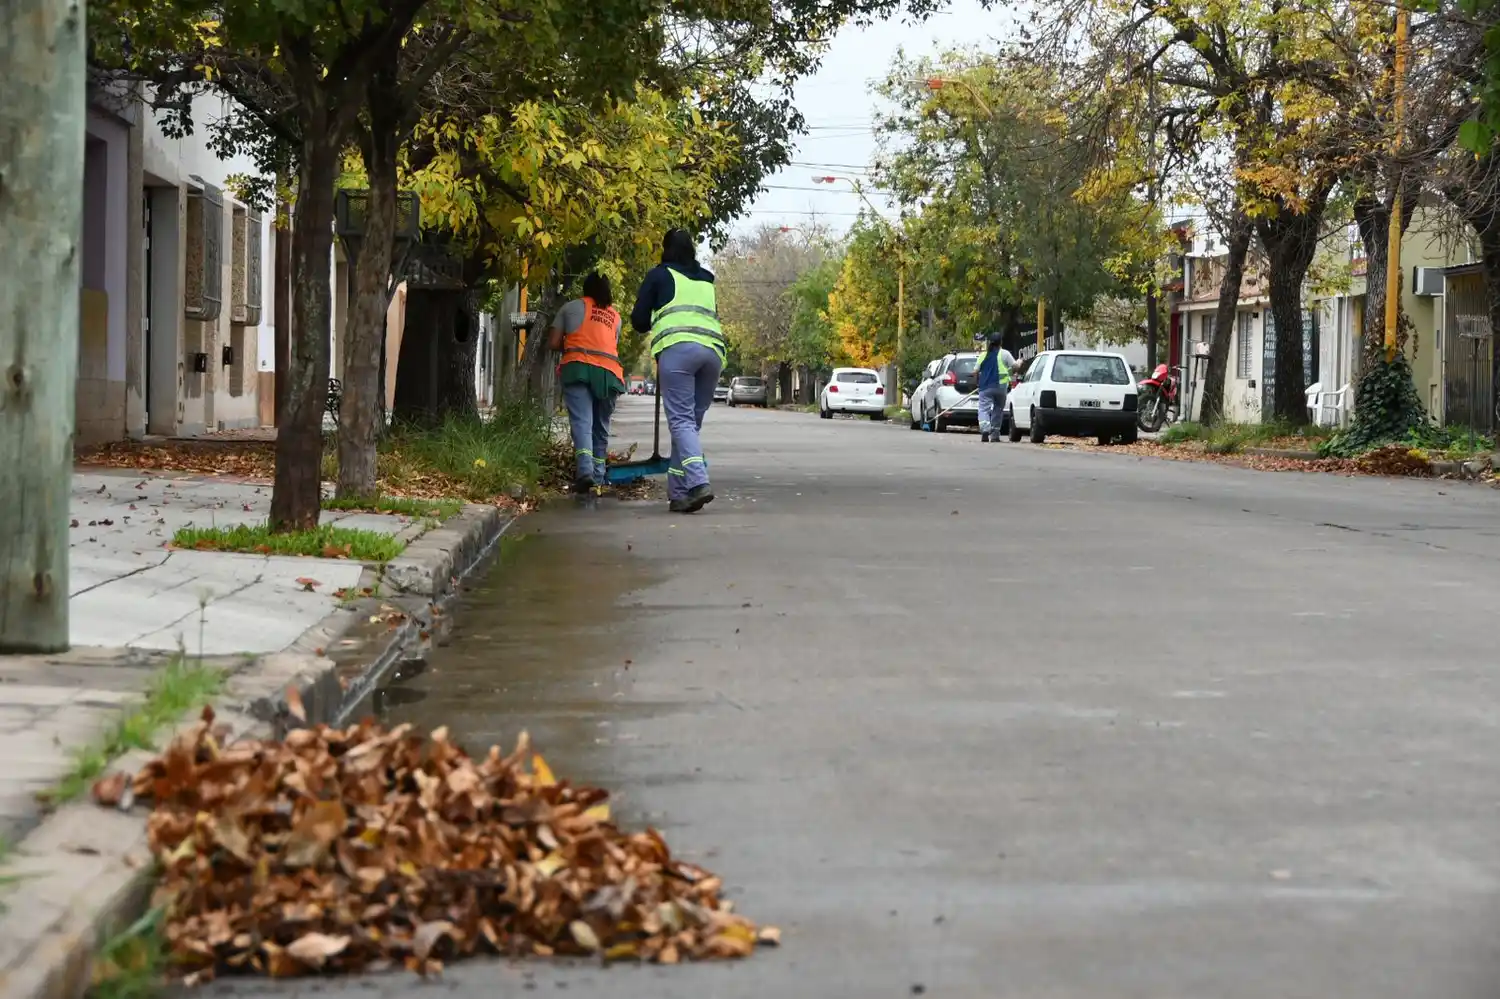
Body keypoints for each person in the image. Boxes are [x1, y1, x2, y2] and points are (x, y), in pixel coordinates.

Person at [631, 228, 725, 513]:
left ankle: (698, 482)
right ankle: (679, 494)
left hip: (678, 351)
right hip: (713, 353)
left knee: (682, 422)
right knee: (689, 426)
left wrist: (654, 319)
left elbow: (638, 320)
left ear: (666, 248)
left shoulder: (659, 274)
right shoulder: (707, 280)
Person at [549, 272, 625, 493]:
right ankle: (599, 478)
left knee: (583, 422)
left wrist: (569, 344)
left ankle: (585, 473)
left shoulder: (571, 307)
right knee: (601, 427)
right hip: (610, 374)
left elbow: (553, 342)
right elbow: (610, 345)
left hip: (578, 368)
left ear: (586, 289)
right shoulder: (616, 317)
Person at [975, 331, 1013, 443]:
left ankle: (985, 430)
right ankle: (995, 435)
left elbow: (975, 371)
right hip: (1001, 388)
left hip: (985, 387)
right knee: (998, 410)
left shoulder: (983, 355)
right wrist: (1020, 363)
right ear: (1001, 342)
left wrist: (977, 383)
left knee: (983, 409)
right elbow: (1014, 366)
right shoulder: (1005, 354)